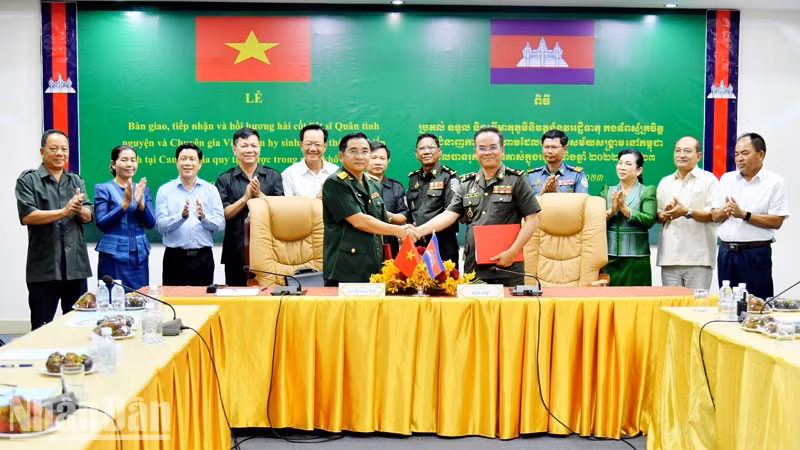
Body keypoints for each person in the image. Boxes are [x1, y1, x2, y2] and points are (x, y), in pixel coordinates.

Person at [416, 127, 540, 286]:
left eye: (493, 147)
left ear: (502, 150)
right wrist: (417, 232)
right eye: (482, 148)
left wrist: (513, 252)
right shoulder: (466, 184)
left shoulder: (517, 180)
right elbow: (448, 215)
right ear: (475, 152)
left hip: (507, 267)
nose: (487, 152)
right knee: (473, 303)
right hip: (474, 267)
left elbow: (532, 220)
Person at [15, 129, 92, 330]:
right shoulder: (28, 180)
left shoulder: (75, 180)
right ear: (42, 152)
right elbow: (28, 215)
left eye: (64, 149)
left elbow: (88, 216)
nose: (60, 153)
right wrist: (64, 211)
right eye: (54, 148)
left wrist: (78, 209)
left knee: (78, 326)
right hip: (44, 268)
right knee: (41, 327)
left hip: (76, 267)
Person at [322, 132, 418, 285]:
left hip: (373, 264)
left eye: (365, 151)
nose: (360, 156)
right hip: (346, 269)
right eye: (353, 151)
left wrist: (406, 228)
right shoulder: (335, 183)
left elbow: (380, 216)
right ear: (341, 156)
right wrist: (398, 231)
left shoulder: (373, 183)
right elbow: (359, 221)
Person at [711, 133, 789, 299]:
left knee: (757, 304)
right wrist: (725, 211)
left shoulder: (774, 182)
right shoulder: (727, 179)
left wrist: (744, 215)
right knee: (727, 305)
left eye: (745, 153)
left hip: (755, 254)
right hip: (726, 253)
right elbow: (715, 215)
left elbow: (776, 221)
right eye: (736, 154)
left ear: (761, 155)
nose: (739, 159)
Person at [216, 127, 284, 286]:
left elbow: (281, 212)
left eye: (254, 146)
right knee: (236, 294)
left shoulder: (273, 176)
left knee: (268, 294)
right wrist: (245, 198)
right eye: (244, 146)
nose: (249, 150)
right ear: (234, 150)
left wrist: (259, 195)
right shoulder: (224, 179)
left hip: (269, 249)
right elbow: (224, 214)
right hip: (235, 251)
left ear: (259, 148)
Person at [155, 143, 225, 286]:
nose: (187, 163)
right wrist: (180, 218)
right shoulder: (164, 191)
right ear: (176, 162)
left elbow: (221, 224)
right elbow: (160, 226)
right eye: (183, 159)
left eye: (192, 159)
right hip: (174, 258)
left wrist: (204, 218)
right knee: (173, 299)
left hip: (203, 258)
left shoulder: (211, 190)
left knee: (202, 299)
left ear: (200, 164)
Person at [656, 136, 718, 290]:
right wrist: (664, 215)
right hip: (669, 257)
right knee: (672, 303)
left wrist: (687, 212)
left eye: (687, 151)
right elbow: (657, 215)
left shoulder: (709, 180)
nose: (681, 155)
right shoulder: (665, 182)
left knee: (697, 304)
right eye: (678, 151)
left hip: (699, 258)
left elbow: (715, 214)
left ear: (699, 156)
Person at [94, 145, 156, 290]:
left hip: (139, 257)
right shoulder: (103, 189)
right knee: (113, 298)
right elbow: (101, 223)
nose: (129, 164)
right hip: (112, 256)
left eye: (133, 160)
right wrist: (124, 205)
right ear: (113, 164)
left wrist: (141, 204)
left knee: (139, 297)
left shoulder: (143, 189)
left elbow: (151, 223)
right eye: (124, 160)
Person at [600, 149, 657, 286]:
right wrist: (612, 211)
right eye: (620, 163)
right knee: (609, 297)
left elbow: (649, 219)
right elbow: (595, 220)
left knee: (637, 297)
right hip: (609, 258)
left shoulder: (646, 191)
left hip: (636, 259)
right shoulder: (607, 191)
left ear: (639, 170)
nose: (622, 167)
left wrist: (625, 210)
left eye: (628, 164)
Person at [406, 133, 460, 265]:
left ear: (439, 151)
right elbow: (411, 210)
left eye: (431, 147)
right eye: (422, 148)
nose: (426, 152)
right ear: (416, 154)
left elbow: (451, 213)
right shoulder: (413, 178)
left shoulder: (449, 177)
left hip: (442, 245)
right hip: (418, 244)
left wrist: (419, 230)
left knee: (443, 279)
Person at [367, 140, 408, 258]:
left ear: (387, 161)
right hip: (364, 245)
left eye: (382, 158)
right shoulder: (356, 185)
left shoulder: (396, 187)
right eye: (373, 158)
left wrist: (384, 215)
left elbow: (403, 217)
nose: (378, 162)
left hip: (390, 246)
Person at [282, 124, 338, 198]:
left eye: (317, 144)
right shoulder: (289, 175)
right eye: (308, 144)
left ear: (325, 147)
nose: (313, 149)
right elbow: (286, 204)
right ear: (301, 146)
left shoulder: (335, 172)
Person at [527, 129, 589, 195]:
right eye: (546, 147)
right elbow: (525, 201)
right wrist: (542, 194)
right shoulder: (532, 176)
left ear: (565, 149)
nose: (549, 151)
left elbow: (582, 200)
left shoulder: (576, 175)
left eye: (554, 147)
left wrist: (556, 194)